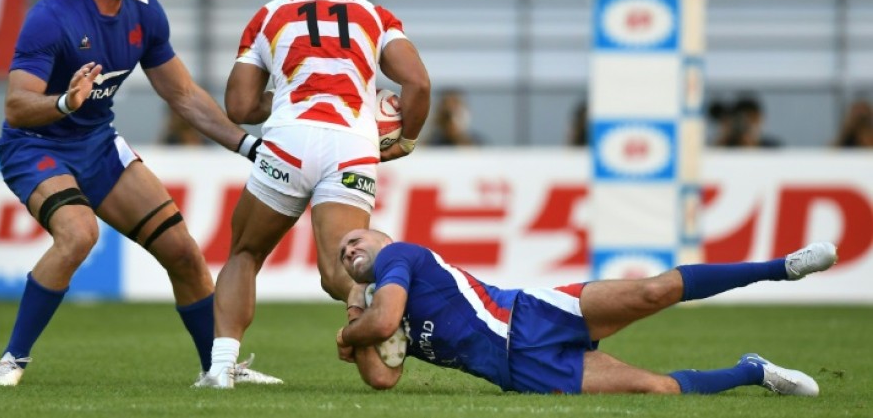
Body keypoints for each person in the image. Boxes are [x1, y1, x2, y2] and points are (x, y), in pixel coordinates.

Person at [0, 0, 272, 387]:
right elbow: (16, 106)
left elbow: (182, 94)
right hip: (36, 145)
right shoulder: (52, 17)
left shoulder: (144, 10)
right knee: (78, 235)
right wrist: (63, 101)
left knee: (183, 251)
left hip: (97, 144)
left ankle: (217, 370)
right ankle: (11, 361)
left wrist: (248, 146)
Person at [195, 0, 431, 388]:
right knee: (339, 270)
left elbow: (240, 106)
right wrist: (408, 140)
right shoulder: (374, 14)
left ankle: (222, 367)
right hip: (353, 144)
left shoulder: (270, 13)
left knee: (245, 251)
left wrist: (283, 96)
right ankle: (382, 305)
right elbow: (417, 83)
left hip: (290, 140)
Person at [335, 229, 838, 396]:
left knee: (652, 292)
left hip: (530, 315)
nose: (349, 249)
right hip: (523, 371)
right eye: (341, 256)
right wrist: (355, 309)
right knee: (656, 389)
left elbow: (379, 331)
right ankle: (753, 372)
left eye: (356, 239)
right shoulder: (377, 301)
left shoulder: (399, 254)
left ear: (382, 237)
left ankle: (782, 268)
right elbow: (383, 379)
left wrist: (356, 331)